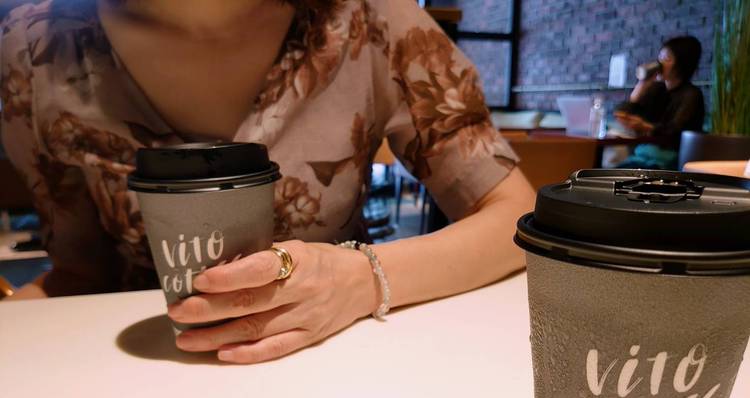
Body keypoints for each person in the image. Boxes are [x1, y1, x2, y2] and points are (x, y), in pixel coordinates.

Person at [0, 0, 535, 363]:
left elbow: (514, 215)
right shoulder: (35, 48)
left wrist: (362, 279)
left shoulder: (374, 20)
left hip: (335, 363)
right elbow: (81, 273)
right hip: (142, 376)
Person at [614, 35, 704, 170]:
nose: (660, 64)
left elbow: (675, 131)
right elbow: (621, 112)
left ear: (682, 64)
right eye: (660, 58)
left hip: (672, 161)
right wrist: (641, 85)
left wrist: (647, 127)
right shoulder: (657, 89)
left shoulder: (691, 94)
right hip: (645, 156)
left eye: (666, 59)